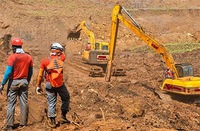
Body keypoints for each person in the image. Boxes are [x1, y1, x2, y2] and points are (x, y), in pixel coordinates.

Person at [0, 37, 33, 130]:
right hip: (24, 82)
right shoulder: (28, 57)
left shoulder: (12, 57)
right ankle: (23, 123)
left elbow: (8, 72)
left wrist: (2, 84)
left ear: (14, 47)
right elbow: (30, 72)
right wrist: (27, 81)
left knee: (11, 104)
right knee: (24, 102)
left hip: (14, 82)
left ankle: (9, 125)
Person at [35, 42, 70, 128]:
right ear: (59, 50)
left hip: (49, 84)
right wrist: (62, 49)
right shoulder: (61, 58)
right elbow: (63, 54)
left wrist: (38, 86)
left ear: (51, 49)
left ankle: (52, 121)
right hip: (59, 84)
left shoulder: (44, 60)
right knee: (66, 98)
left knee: (51, 102)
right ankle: (63, 116)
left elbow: (40, 75)